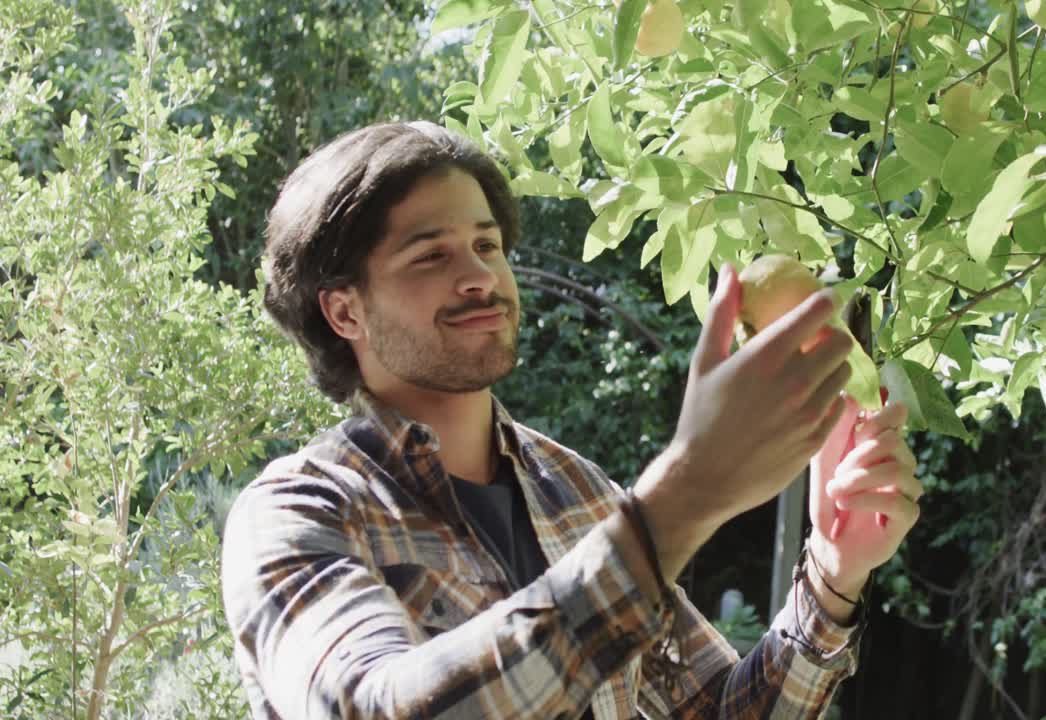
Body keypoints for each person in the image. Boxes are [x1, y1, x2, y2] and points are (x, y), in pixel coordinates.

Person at [220, 120, 922, 719]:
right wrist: (685, 494)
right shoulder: (298, 514)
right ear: (344, 310)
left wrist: (832, 576)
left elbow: (716, 708)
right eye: (431, 254)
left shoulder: (577, 492)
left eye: (488, 245)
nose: (480, 277)